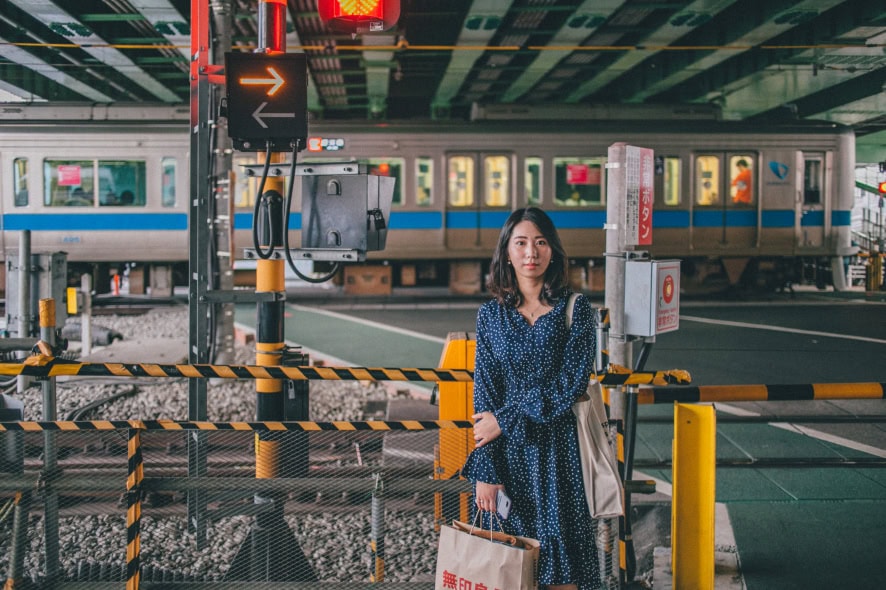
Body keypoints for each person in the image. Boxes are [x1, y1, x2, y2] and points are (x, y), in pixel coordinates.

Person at [461, 207, 601, 590]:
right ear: (506, 252)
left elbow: (570, 384)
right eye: (521, 243)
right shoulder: (490, 315)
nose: (531, 252)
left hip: (559, 457)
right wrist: (486, 472)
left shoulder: (575, 310)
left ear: (553, 250)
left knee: (562, 572)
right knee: (508, 569)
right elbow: (484, 396)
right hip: (506, 459)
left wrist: (504, 419)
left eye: (540, 242)